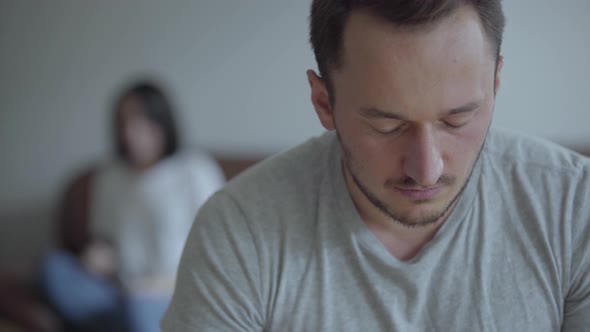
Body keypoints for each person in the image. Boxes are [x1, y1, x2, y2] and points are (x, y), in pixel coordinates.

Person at [162, 1, 590, 330]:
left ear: (495, 86)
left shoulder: (573, 209)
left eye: (456, 120)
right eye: (387, 125)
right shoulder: (241, 231)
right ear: (324, 103)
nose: (426, 169)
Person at [39, 81, 225, 332]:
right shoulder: (110, 176)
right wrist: (98, 258)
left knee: (140, 307)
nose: (129, 132)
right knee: (54, 267)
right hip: (119, 292)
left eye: (139, 121)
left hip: (172, 294)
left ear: (161, 122)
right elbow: (107, 241)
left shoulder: (195, 170)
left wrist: (156, 287)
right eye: (123, 122)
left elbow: (219, 251)